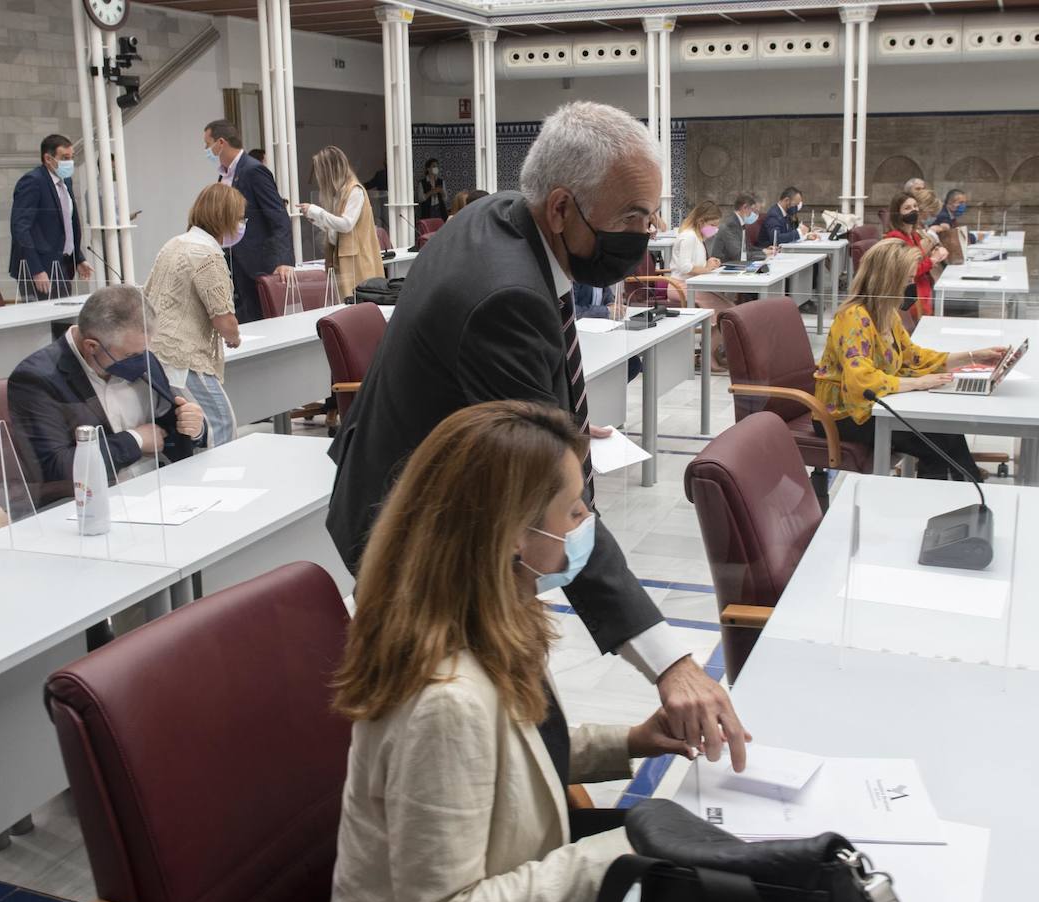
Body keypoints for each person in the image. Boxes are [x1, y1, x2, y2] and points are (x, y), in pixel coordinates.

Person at [326, 100, 750, 771]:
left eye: (652, 215)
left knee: (518, 722)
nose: (647, 234)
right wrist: (671, 663)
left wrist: (557, 417)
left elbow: (513, 394)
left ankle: (553, 782)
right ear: (561, 208)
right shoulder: (506, 296)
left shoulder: (506, 217)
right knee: (497, 722)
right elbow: (547, 497)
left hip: (421, 488)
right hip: (416, 539)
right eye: (632, 218)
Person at [329, 401, 694, 902]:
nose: (587, 522)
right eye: (574, 511)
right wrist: (623, 852)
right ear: (513, 537)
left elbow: (514, 755)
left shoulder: (492, 615)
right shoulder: (444, 704)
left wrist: (632, 741)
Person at [813, 239, 1005, 480]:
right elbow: (861, 380)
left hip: (867, 407)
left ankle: (967, 486)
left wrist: (973, 357)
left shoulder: (887, 313)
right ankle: (961, 488)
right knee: (936, 445)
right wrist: (918, 383)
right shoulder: (854, 317)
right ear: (888, 280)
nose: (910, 286)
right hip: (842, 415)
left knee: (947, 431)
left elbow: (914, 357)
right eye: (907, 280)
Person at [8, 286, 205, 493]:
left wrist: (194, 427)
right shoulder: (36, 380)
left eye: (144, 351)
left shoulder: (138, 352)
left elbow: (169, 424)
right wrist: (135, 440)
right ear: (91, 346)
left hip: (164, 485)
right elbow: (55, 466)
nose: (141, 360)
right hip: (99, 497)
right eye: (130, 355)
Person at [143, 183, 246, 447]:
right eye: (238, 218)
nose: (241, 224)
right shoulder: (207, 254)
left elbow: (148, 293)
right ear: (224, 217)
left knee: (194, 428)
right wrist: (234, 337)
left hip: (155, 351)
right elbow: (223, 319)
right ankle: (225, 472)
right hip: (183, 356)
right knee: (222, 423)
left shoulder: (174, 243)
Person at [204, 119, 293, 323]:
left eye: (207, 145)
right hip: (234, 262)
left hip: (258, 263)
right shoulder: (225, 176)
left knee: (262, 320)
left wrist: (283, 261)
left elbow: (278, 215)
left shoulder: (253, 170)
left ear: (221, 143)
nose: (206, 150)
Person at [8, 134, 93, 301]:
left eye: (72, 157)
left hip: (63, 264)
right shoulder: (32, 181)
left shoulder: (66, 181)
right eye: (65, 158)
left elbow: (66, 224)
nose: (70, 162)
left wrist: (78, 257)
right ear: (48, 158)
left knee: (64, 314)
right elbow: (20, 228)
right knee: (45, 317)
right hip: (39, 268)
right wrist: (36, 269)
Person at [299, 146, 384, 301]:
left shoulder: (355, 190)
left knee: (355, 305)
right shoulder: (340, 192)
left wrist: (317, 212)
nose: (319, 178)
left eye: (320, 172)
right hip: (343, 260)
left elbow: (346, 225)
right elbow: (337, 231)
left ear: (330, 170)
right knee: (345, 304)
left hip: (356, 263)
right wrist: (318, 221)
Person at [668, 201, 731, 371]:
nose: (715, 229)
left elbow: (695, 265)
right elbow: (685, 267)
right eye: (713, 225)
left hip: (691, 285)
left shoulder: (696, 237)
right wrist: (707, 268)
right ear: (701, 221)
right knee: (726, 314)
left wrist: (709, 263)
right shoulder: (689, 237)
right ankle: (707, 357)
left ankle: (710, 353)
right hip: (681, 286)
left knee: (729, 310)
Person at [883, 190, 948, 321]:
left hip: (923, 290)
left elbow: (921, 261)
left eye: (915, 206)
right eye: (907, 208)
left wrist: (934, 254)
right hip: (911, 297)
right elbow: (910, 271)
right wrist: (933, 259)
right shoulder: (895, 238)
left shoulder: (913, 235)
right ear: (897, 214)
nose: (913, 210)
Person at [708, 192, 773, 263]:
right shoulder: (730, 225)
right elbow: (739, 255)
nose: (756, 215)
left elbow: (748, 248)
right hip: (724, 265)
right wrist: (764, 254)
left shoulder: (739, 222)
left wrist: (764, 250)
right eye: (754, 211)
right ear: (744, 207)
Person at [417, 158, 446, 222]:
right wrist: (430, 192)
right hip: (428, 209)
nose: (436, 168)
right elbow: (420, 199)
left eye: (437, 166)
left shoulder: (441, 181)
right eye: (433, 166)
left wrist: (441, 191)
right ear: (428, 169)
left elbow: (445, 198)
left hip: (439, 208)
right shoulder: (422, 183)